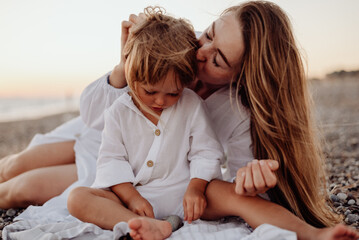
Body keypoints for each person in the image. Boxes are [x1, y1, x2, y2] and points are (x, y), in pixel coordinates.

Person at [0, 1, 358, 240]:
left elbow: (232, 180)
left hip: (123, 172)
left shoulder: (234, 112)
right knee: (14, 163)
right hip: (105, 138)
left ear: (244, 77)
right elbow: (95, 119)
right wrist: (128, 63)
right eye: (209, 34)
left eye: (218, 60)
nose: (200, 53)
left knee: (17, 190)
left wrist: (249, 180)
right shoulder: (170, 57)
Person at [67, 7, 223, 237]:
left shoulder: (191, 104)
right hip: (135, 199)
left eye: (173, 93)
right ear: (132, 72)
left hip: (184, 196)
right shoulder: (118, 111)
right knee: (77, 198)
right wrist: (132, 198)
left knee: (228, 193)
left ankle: (159, 222)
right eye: (150, 91)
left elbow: (206, 151)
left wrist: (196, 189)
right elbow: (112, 161)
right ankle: (146, 224)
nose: (161, 101)